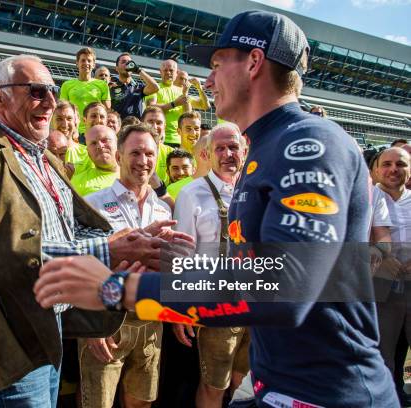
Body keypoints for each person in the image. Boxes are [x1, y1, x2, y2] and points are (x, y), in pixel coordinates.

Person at [34, 10, 398, 407]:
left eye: (217, 64)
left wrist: (118, 289)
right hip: (285, 385)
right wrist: (178, 265)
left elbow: (283, 286)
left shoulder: (307, 144)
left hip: (329, 392)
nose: (208, 81)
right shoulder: (268, 146)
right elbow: (256, 271)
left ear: (254, 62)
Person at [0, 55, 171, 407]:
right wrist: (110, 251)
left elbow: (67, 238)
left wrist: (124, 242)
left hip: (53, 332)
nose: (51, 101)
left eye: (52, 91)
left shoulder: (47, 160)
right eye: (37, 91)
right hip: (11, 341)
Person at [81, 124, 184, 408]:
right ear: (118, 156)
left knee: (141, 403)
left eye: (149, 153)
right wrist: (92, 325)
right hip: (106, 320)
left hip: (152, 320)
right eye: (135, 152)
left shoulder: (164, 208)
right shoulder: (93, 204)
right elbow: (82, 266)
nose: (143, 160)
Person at [172, 121, 248, 408]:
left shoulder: (254, 188)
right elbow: (181, 252)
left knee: (243, 381)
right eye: (221, 148)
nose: (228, 153)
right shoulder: (193, 194)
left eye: (233, 147)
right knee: (214, 384)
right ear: (208, 154)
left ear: (244, 150)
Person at [372, 147, 411, 397]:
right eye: (386, 164)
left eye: (400, 164)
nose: (393, 169)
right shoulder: (367, 197)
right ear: (376, 170)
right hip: (380, 287)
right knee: (383, 354)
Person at [145, 60, 209, 147]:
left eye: (171, 70)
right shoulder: (155, 88)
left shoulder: (181, 91)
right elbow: (150, 107)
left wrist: (199, 88)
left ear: (176, 73)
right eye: (165, 70)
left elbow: (204, 106)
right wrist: (174, 104)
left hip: (179, 140)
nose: (168, 73)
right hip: (159, 138)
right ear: (160, 72)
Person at [60, 47, 111, 135]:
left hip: (95, 131)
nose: (86, 63)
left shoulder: (102, 85)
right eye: (83, 60)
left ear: (94, 64)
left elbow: (107, 110)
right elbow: (62, 110)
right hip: (73, 131)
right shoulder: (67, 85)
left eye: (89, 61)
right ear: (77, 63)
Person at [70, 125, 119, 196]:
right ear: (88, 153)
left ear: (117, 144)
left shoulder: (135, 174)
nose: (100, 146)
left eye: (105, 140)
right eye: (93, 143)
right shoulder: (77, 183)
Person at [109, 53, 159, 120]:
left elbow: (155, 87)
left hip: (135, 127)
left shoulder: (138, 87)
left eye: (129, 63)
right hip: (118, 127)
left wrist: (138, 70)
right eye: (123, 62)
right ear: (116, 68)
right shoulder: (111, 87)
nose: (127, 65)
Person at [166, 132, 212, 200]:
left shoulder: (225, 184)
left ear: (194, 169)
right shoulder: (171, 190)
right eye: (175, 168)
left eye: (185, 167)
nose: (180, 173)